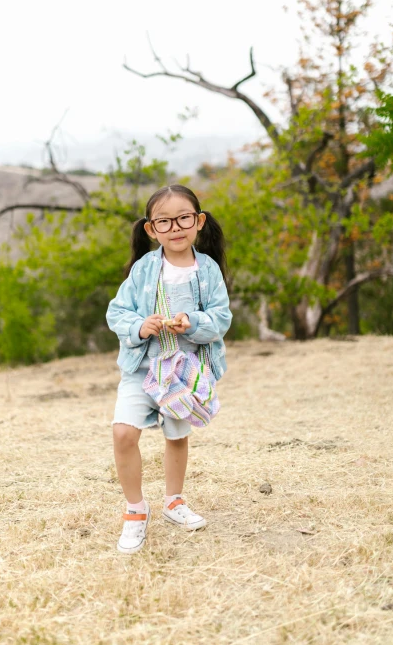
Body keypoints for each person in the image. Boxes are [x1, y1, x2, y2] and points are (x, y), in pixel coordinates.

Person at [106, 184, 232, 554]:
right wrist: (139, 327)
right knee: (123, 433)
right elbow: (117, 312)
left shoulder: (207, 270)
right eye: (165, 221)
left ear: (198, 221)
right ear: (151, 229)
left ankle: (173, 500)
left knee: (176, 436)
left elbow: (221, 319)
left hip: (186, 374)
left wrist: (192, 323)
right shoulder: (145, 269)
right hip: (143, 369)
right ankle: (135, 510)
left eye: (184, 218)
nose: (175, 227)